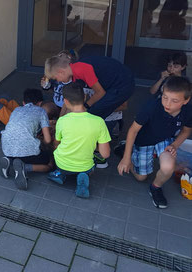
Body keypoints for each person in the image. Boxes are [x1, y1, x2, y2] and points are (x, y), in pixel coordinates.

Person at [117, 76, 192, 209]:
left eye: (174, 100)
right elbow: (133, 130)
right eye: (165, 97)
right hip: (144, 141)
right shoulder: (151, 107)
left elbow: (186, 131)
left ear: (186, 100)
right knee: (141, 177)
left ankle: (156, 187)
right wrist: (126, 158)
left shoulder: (188, 111)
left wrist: (174, 145)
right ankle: (126, 150)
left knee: (168, 167)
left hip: (165, 140)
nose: (167, 103)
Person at [47, 82, 111, 198]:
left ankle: (61, 173)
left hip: (62, 163)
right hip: (85, 166)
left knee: (57, 153)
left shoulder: (62, 121)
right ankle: (82, 177)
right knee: (90, 164)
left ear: (65, 102)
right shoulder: (99, 122)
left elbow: (56, 144)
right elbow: (105, 154)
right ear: (85, 97)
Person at [44, 53, 134, 122]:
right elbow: (71, 100)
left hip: (122, 83)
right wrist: (60, 120)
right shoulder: (75, 72)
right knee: (91, 111)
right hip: (114, 83)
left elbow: (100, 93)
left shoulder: (81, 69)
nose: (58, 81)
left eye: (55, 78)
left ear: (61, 72)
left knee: (92, 114)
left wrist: (85, 106)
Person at [0, 88, 53, 190]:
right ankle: (24, 167)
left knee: (19, 150)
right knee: (48, 163)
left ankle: (9, 161)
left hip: (7, 149)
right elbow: (48, 140)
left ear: (23, 103)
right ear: (40, 103)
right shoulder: (41, 111)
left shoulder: (16, 110)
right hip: (29, 154)